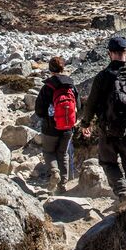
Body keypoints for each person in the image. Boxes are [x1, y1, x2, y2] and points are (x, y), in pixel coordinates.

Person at [80, 36, 126, 210]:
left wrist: (86, 123)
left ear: (109, 54)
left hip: (108, 131)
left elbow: (91, 103)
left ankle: (124, 194)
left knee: (108, 163)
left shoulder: (103, 76)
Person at [34, 56, 78, 194]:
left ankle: (54, 172)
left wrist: (46, 119)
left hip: (50, 128)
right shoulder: (71, 86)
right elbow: (79, 106)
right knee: (63, 154)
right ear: (63, 68)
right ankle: (63, 184)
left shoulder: (47, 88)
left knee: (48, 152)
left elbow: (39, 110)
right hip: (67, 128)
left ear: (50, 69)